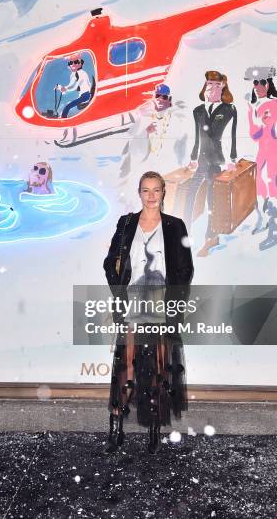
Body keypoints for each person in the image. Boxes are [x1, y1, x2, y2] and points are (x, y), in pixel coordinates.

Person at [103, 171, 194, 454]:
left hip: (160, 305)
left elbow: (185, 269)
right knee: (126, 365)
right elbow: (109, 263)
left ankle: (154, 426)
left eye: (156, 190)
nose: (151, 195)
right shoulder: (127, 223)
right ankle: (116, 425)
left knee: (157, 368)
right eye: (146, 190)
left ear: (164, 192)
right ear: (139, 193)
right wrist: (119, 291)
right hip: (132, 303)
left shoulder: (176, 226)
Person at [185, 70, 237, 257]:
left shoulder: (229, 110)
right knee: (190, 195)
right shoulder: (198, 111)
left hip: (217, 162)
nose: (212, 88)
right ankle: (183, 235)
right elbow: (197, 137)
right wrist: (192, 157)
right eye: (209, 84)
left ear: (223, 86)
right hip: (201, 160)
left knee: (211, 199)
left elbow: (232, 135)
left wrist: (232, 159)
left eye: (216, 84)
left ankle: (211, 238)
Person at [244, 66, 277, 250]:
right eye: (255, 83)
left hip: (275, 150)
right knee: (260, 185)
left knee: (271, 183)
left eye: (261, 82)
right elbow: (254, 135)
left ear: (268, 84)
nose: (258, 86)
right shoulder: (255, 106)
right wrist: (251, 114)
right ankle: (267, 221)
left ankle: (276, 230)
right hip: (262, 152)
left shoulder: (276, 105)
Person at [56, 53, 92, 119]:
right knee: (68, 106)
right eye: (70, 63)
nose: (72, 64)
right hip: (86, 95)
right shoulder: (81, 72)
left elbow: (73, 87)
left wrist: (62, 88)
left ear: (80, 64)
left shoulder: (79, 73)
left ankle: (63, 120)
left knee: (67, 107)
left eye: (75, 62)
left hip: (85, 96)